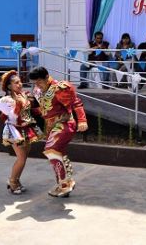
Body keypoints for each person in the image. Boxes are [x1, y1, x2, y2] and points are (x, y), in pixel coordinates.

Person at [29, 66, 88, 197]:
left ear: (46, 77)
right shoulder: (38, 90)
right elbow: (44, 110)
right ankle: (64, 183)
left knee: (50, 150)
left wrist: (82, 120)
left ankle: (64, 184)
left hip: (64, 123)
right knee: (58, 154)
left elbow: (76, 103)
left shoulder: (60, 88)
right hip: (51, 126)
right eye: (34, 83)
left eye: (38, 81)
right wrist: (30, 109)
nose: (37, 85)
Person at [0, 70, 44, 194]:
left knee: (24, 157)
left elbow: (32, 110)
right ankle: (12, 181)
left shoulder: (24, 95)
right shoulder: (6, 101)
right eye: (16, 83)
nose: (20, 84)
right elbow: (13, 116)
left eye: (20, 82)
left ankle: (16, 180)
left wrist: (43, 110)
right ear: (9, 86)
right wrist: (19, 103)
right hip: (15, 130)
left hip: (27, 129)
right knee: (21, 158)